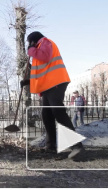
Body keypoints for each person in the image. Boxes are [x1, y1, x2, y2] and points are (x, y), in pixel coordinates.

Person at [20, 31, 84, 159]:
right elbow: (43, 71)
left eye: (29, 43)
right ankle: (50, 146)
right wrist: (29, 81)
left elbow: (45, 57)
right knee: (47, 114)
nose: (29, 46)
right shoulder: (38, 49)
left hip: (56, 83)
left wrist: (31, 50)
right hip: (48, 86)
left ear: (33, 41)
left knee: (58, 112)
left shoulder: (46, 42)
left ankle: (76, 146)